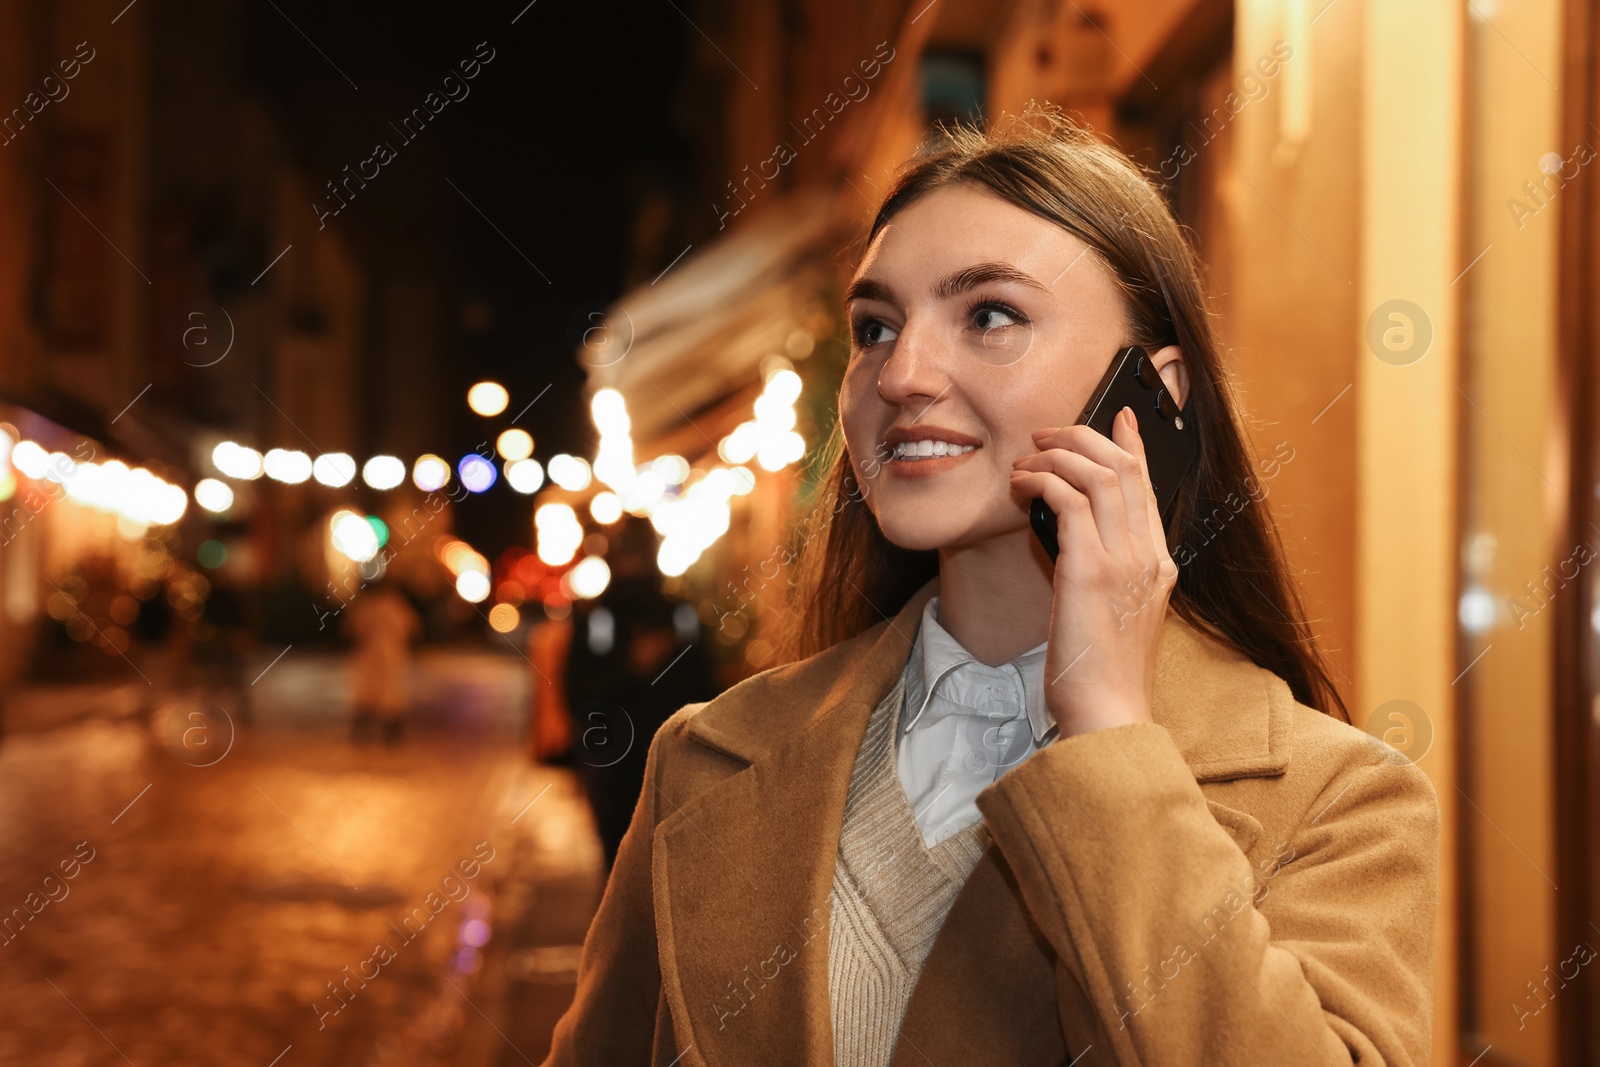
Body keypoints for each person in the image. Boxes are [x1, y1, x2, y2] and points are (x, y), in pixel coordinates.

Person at [542, 108, 1438, 1066]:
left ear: (1154, 396)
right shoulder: (706, 758)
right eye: (875, 328)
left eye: (991, 315)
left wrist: (1109, 728)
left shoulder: (1340, 799)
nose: (903, 374)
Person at [563, 515, 717, 873]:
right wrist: (631, 668)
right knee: (620, 869)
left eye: (636, 551)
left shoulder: (680, 616)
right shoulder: (597, 619)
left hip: (674, 766)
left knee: (671, 872)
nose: (630, 561)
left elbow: (707, 691)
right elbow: (578, 694)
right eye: (623, 552)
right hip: (614, 767)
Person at [343, 580, 420, 744]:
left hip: (380, 654)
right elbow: (412, 628)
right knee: (382, 691)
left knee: (377, 690)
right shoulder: (392, 606)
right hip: (383, 655)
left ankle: (381, 730)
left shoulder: (371, 606)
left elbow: (353, 629)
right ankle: (376, 730)